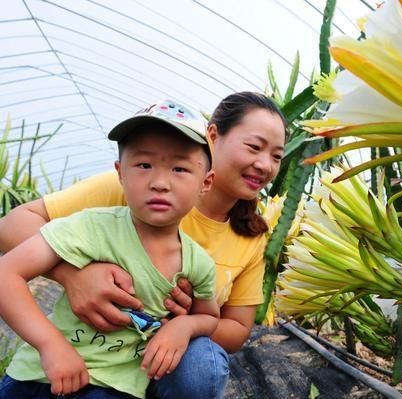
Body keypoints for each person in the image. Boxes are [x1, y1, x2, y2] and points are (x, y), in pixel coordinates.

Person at [0, 92, 287, 399]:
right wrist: (76, 275)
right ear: (213, 137)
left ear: (205, 179)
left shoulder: (246, 238)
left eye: (277, 156)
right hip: (60, 363)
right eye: (254, 147)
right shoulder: (132, 195)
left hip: (157, 363)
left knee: (203, 366)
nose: (264, 165)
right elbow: (12, 228)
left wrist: (183, 323)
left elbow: (236, 328)